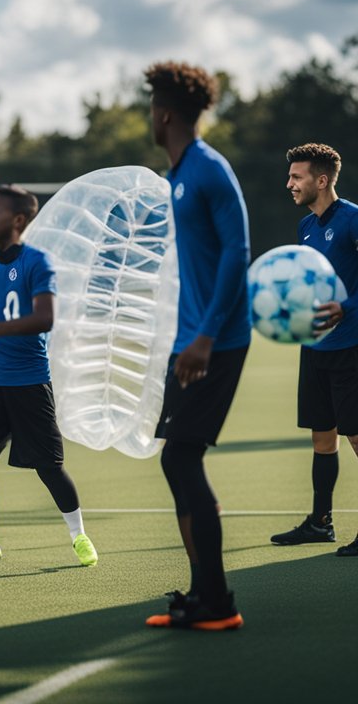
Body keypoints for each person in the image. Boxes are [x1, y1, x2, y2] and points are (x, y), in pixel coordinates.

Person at [142, 61, 250, 631]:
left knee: (181, 456)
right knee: (177, 459)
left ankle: (219, 601)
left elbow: (237, 253)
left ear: (163, 114)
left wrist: (206, 337)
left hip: (218, 341)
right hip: (192, 341)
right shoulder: (179, 173)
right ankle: (205, 593)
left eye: (150, 108)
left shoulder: (208, 169)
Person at [0, 185, 98, 568]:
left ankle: (79, 535)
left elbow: (44, 318)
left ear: (18, 221)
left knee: (49, 467)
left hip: (31, 382)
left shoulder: (38, 262)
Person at [270, 143, 358, 556]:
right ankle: (320, 522)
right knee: (322, 438)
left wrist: (347, 306)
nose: (289, 183)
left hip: (351, 348)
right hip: (314, 348)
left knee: (357, 437)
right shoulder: (305, 227)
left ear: (321, 180)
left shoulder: (353, 220)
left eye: (297, 177)